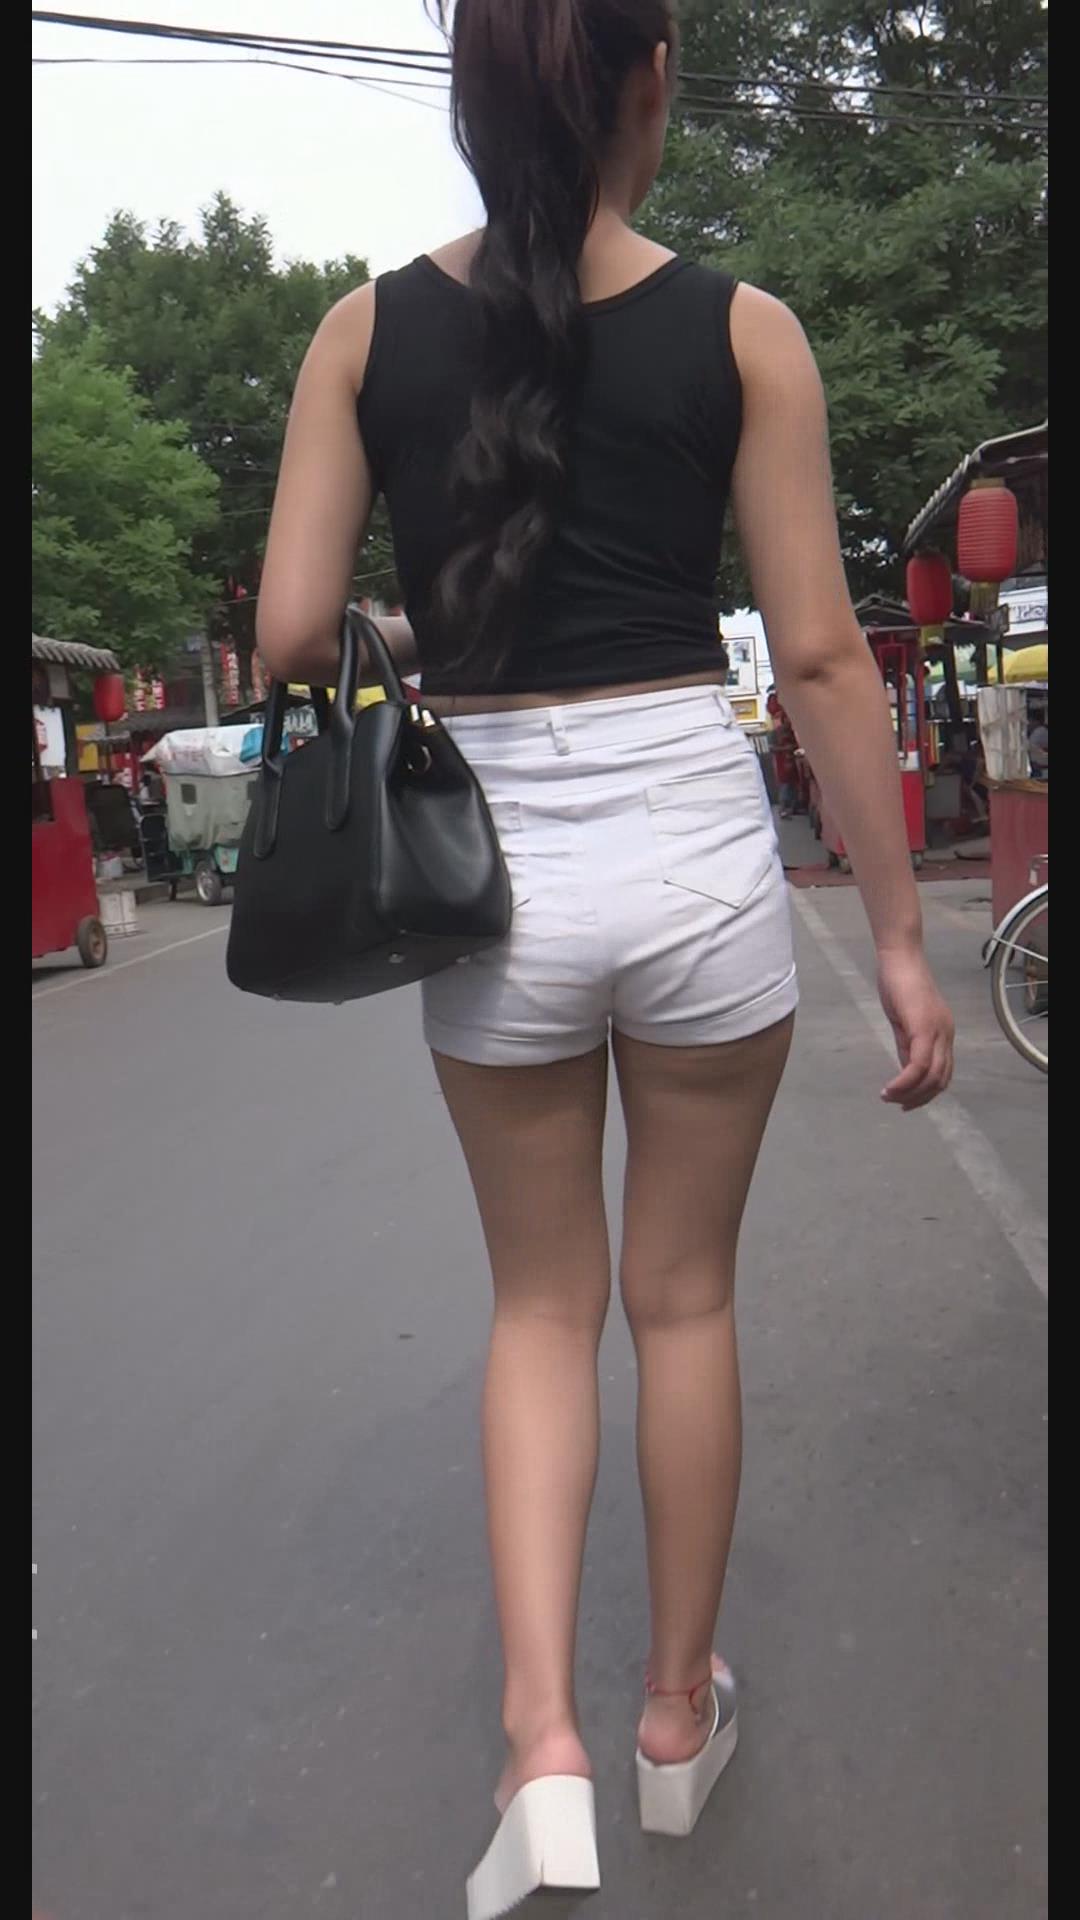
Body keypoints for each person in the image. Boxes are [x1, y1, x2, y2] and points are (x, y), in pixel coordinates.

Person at [256, 5, 954, 1912]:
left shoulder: (360, 333)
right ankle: (670, 1721)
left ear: (467, 102)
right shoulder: (747, 332)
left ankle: (537, 1744)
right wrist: (899, 937)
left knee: (539, 1310)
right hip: (693, 852)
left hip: (491, 875)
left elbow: (296, 628)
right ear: (651, 82)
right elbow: (821, 659)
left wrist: (441, 601)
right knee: (686, 1303)